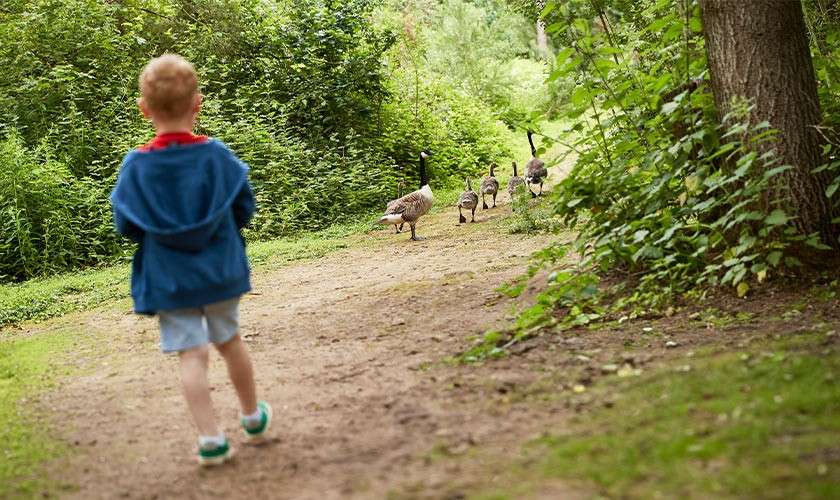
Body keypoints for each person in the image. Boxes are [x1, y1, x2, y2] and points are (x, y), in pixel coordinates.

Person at [110, 54, 271, 466]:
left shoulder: (136, 167)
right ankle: (253, 419)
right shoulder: (218, 158)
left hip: (170, 279)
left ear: (144, 110)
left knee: (192, 354)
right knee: (229, 342)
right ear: (197, 103)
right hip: (218, 270)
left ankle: (211, 439)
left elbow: (126, 225)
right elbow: (244, 209)